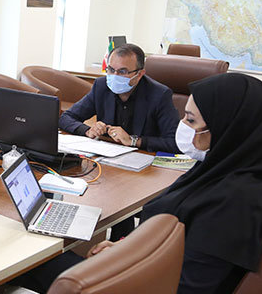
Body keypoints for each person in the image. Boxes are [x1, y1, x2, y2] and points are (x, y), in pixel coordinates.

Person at [22, 72, 262, 294]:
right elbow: (177, 242)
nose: (183, 127)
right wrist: (126, 247)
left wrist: (118, 269)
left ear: (229, 128)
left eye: (191, 120)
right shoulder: (225, 171)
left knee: (34, 262)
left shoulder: (235, 205)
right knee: (46, 260)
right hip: (147, 290)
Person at [59, 43, 179, 239]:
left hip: (145, 173)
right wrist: (88, 130)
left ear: (139, 74)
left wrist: (133, 141)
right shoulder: (101, 86)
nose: (114, 76)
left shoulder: (159, 94)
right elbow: (66, 118)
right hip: (108, 166)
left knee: (122, 202)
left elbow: (174, 142)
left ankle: (125, 245)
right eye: (111, 69)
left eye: (122, 71)